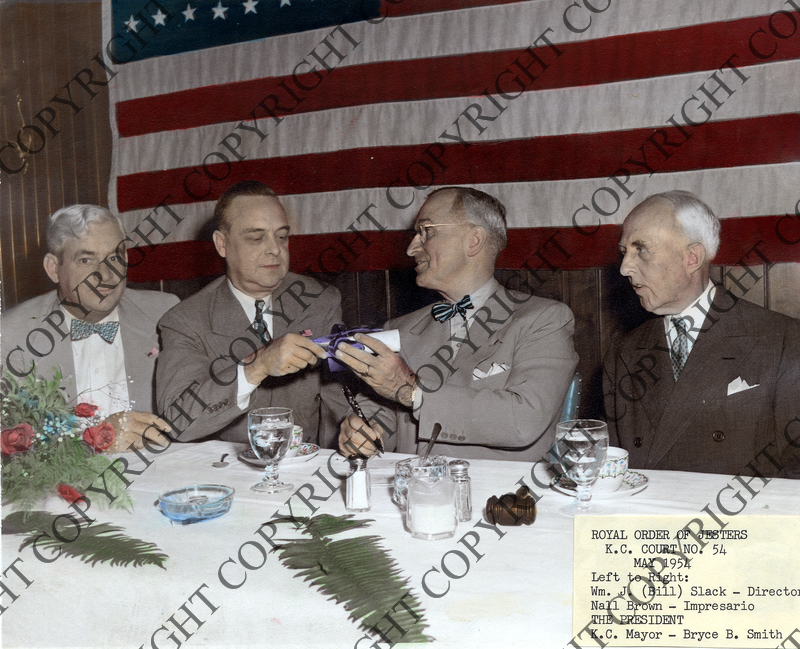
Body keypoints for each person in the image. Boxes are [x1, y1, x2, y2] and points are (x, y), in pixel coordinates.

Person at [335, 186, 578, 461]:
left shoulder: (543, 319)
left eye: (426, 231)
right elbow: (384, 408)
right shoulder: (401, 327)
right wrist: (368, 429)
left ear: (473, 240)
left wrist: (410, 390)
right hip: (412, 495)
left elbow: (523, 419)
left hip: (501, 498)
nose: (411, 247)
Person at [603, 190, 800, 477]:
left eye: (640, 250)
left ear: (692, 258)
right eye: (624, 252)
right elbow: (612, 462)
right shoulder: (625, 352)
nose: (624, 268)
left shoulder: (783, 339)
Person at [156, 181, 343, 443]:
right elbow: (177, 422)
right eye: (256, 238)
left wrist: (351, 432)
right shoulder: (185, 321)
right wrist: (258, 365)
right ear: (222, 244)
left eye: (281, 236)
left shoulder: (320, 300)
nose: (275, 250)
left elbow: (339, 399)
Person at [1, 204, 176, 451]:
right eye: (86, 259)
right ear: (54, 268)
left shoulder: (165, 315)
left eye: (114, 258)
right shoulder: (11, 334)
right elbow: (7, 445)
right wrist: (93, 440)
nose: (105, 275)